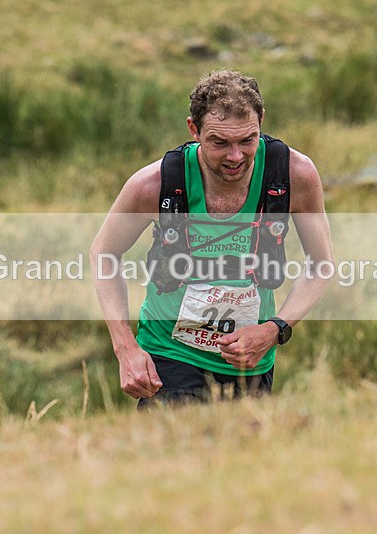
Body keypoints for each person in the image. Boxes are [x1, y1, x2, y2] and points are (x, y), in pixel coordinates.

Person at [90, 70, 333, 409]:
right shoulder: (155, 184)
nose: (235, 157)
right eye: (220, 142)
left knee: (241, 459)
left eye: (247, 140)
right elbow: (104, 253)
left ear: (261, 120)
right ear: (194, 129)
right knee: (173, 456)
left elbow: (321, 265)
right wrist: (125, 347)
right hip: (169, 354)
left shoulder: (294, 175)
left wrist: (274, 329)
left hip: (250, 360)